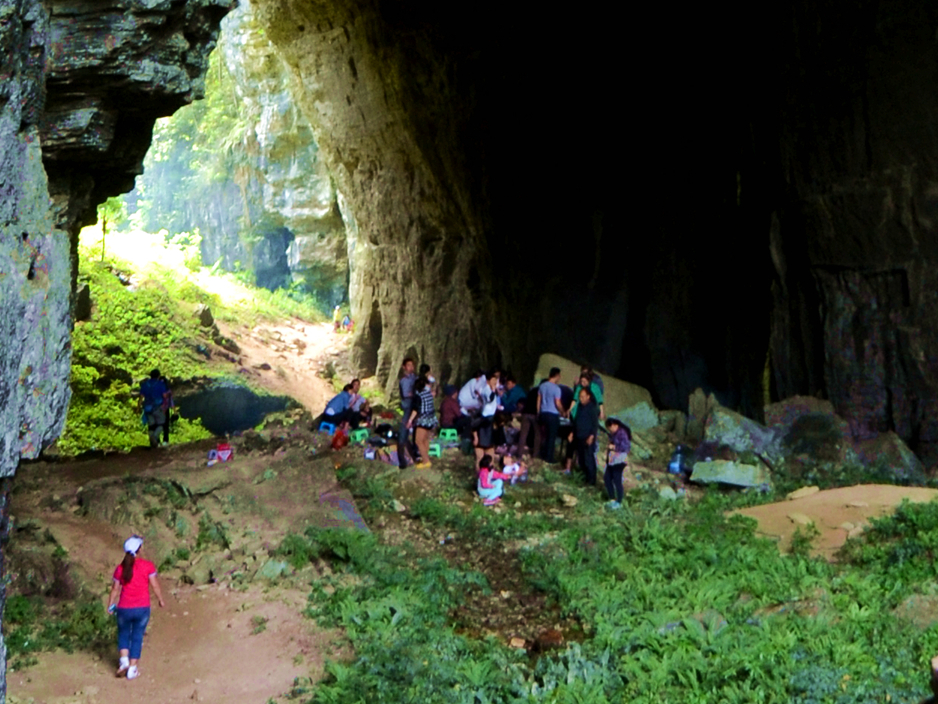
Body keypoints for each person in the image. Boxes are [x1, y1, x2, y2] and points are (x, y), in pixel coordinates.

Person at [106, 535, 165, 680]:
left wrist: (110, 604)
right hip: (142, 608)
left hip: (124, 608)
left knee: (123, 633)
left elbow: (115, 589)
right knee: (137, 636)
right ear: (139, 550)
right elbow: (155, 585)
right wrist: (160, 600)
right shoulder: (147, 566)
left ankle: (124, 661)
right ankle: (132, 669)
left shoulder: (120, 568)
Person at [406, 376, 438, 469]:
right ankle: (426, 458)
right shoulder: (428, 393)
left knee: (418, 440)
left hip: (423, 419)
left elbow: (416, 410)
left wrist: (410, 420)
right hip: (431, 418)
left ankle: (426, 461)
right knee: (425, 440)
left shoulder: (418, 395)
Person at [573, 386, 600, 486]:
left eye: (583, 397)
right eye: (580, 397)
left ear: (588, 396)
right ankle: (584, 478)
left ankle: (591, 481)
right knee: (581, 459)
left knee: (589, 459)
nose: (581, 399)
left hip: (588, 437)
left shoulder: (592, 408)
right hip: (579, 435)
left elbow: (595, 424)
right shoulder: (580, 406)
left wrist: (592, 436)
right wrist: (573, 432)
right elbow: (577, 420)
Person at [536, 367, 564, 462]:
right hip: (553, 415)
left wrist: (538, 412)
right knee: (551, 437)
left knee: (544, 436)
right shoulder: (556, 388)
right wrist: (563, 411)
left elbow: (538, 400)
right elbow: (557, 403)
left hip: (543, 413)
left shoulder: (542, 386)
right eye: (559, 376)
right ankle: (549, 458)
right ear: (556, 376)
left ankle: (542, 454)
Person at [138, 369, 170, 448]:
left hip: (147, 408)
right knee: (161, 423)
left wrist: (138, 408)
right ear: (158, 376)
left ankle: (152, 442)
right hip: (158, 407)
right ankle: (155, 437)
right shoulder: (160, 384)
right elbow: (165, 396)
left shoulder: (145, 384)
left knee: (151, 425)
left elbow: (141, 398)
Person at [473, 376, 500, 467]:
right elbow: (490, 399)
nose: (495, 382)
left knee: (490, 453)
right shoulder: (486, 390)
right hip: (486, 419)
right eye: (493, 380)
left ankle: (489, 476)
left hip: (490, 419)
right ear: (488, 380)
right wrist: (493, 389)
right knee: (480, 455)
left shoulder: (489, 390)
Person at [604, 417, 631, 509]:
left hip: (620, 460)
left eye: (610, 427)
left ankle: (619, 501)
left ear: (615, 425)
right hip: (612, 460)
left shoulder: (622, 433)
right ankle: (612, 498)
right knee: (607, 478)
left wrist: (614, 447)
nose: (610, 430)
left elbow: (625, 447)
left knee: (617, 479)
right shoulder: (613, 434)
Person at [397, 358, 418, 468]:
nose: (411, 367)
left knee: (414, 432)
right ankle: (402, 461)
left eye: (412, 365)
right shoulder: (404, 380)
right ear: (404, 367)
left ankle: (413, 456)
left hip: (415, 408)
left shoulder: (415, 378)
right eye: (408, 365)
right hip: (408, 407)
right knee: (403, 433)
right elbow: (406, 394)